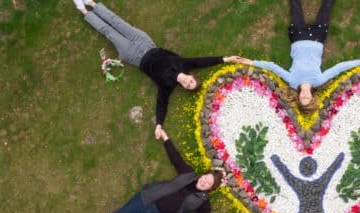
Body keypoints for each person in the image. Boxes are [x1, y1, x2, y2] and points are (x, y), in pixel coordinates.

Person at [71, 0, 242, 132]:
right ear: (191, 76)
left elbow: (162, 104)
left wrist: (159, 124)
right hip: (146, 42)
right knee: (118, 22)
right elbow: (202, 61)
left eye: (188, 86)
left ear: (184, 87)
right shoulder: (183, 64)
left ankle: (83, 10)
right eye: (191, 81)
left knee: (110, 32)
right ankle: (92, 3)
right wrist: (225, 59)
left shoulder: (167, 85)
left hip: (133, 55)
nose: (187, 83)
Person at [66, 126, 225, 213]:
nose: (204, 182)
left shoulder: (202, 201)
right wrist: (165, 137)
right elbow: (175, 158)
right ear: (203, 175)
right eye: (205, 178)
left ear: (209, 189)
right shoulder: (188, 173)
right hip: (147, 200)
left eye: (208, 183)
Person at [234, 0, 360, 113]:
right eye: (308, 98)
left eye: (303, 99)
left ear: (299, 97)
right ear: (312, 97)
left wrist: (251, 62)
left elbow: (272, 67)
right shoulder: (318, 80)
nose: (305, 96)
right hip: (318, 38)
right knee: (327, 5)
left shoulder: (293, 81)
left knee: (295, 5)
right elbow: (339, 68)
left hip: (298, 37)